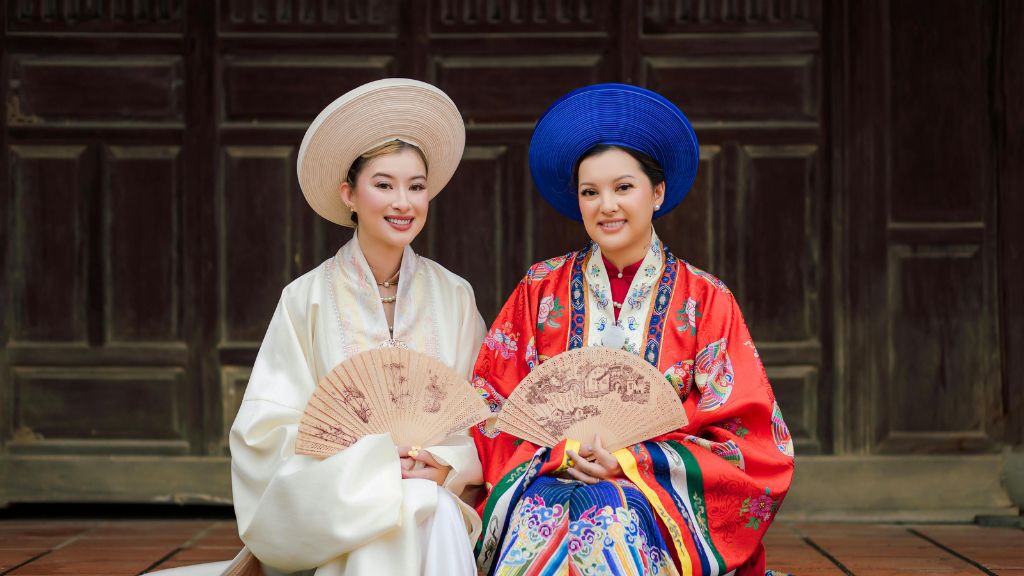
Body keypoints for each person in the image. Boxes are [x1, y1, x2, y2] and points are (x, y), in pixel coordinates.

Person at [154, 79, 486, 576]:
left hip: (437, 488)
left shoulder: (454, 295)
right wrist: (372, 464)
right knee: (398, 505)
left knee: (424, 501)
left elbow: (481, 415)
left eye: (416, 187)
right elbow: (264, 430)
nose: (403, 202)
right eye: (384, 185)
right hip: (339, 499)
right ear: (349, 194)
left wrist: (443, 463)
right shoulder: (305, 298)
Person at [471, 84, 795, 576]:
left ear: (657, 193)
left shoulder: (706, 299)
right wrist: (561, 453)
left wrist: (631, 462)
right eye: (590, 192)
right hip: (548, 477)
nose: (606, 206)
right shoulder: (539, 289)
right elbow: (492, 404)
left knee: (608, 518)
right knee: (542, 518)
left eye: (623, 187)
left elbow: (749, 442)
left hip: (657, 498)